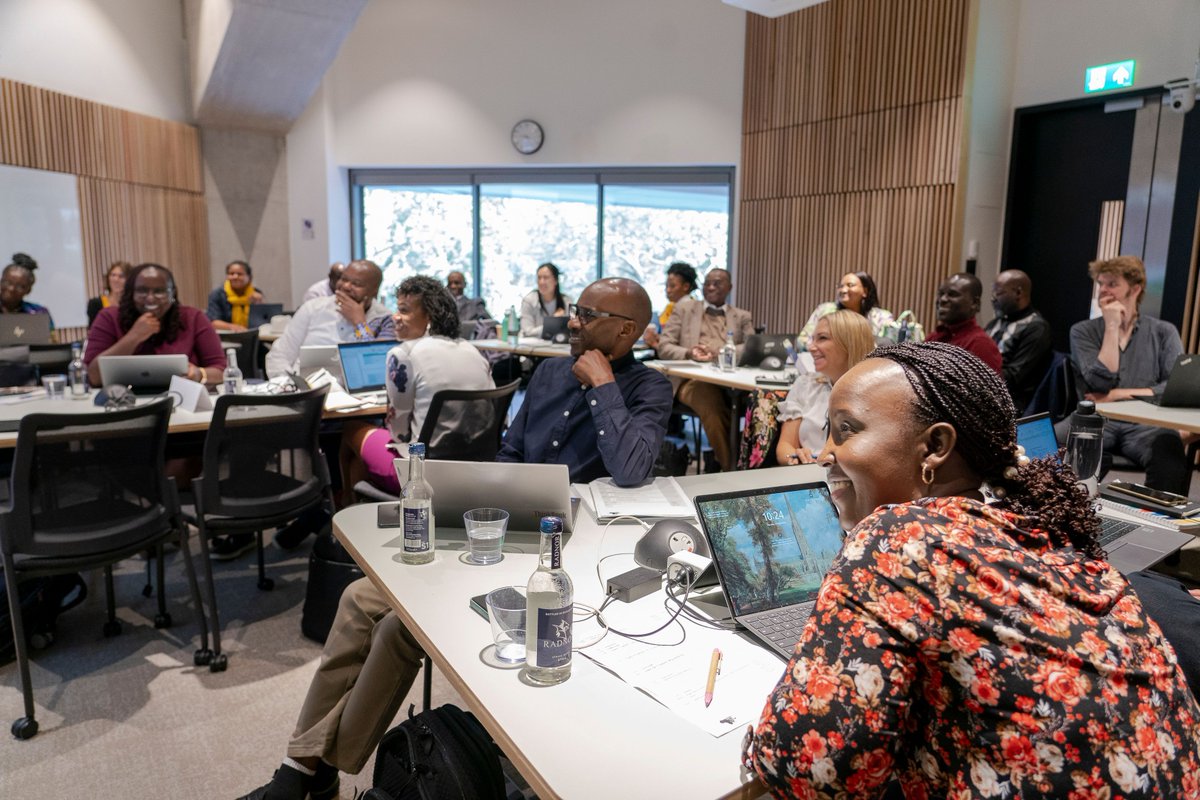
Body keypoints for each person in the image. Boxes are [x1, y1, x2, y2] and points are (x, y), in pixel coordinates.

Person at [236, 277, 671, 800]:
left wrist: (603, 387)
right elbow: (510, 454)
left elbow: (630, 468)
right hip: (502, 530)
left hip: (562, 557)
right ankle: (306, 767)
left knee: (402, 627)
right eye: (573, 309)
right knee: (358, 597)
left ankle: (309, 772)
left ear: (626, 331)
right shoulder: (550, 372)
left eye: (586, 313)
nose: (572, 321)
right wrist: (489, 497)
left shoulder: (648, 388)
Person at [743, 341, 1200, 797]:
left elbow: (808, 774)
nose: (825, 454)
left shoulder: (898, 535)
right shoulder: (1034, 530)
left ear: (935, 446)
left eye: (845, 430)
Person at [338, 275, 493, 503]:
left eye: (404, 310)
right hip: (474, 472)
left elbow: (398, 433)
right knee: (361, 456)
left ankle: (344, 513)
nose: (395, 317)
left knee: (352, 429)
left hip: (421, 476)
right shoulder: (473, 351)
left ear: (429, 316)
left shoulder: (403, 354)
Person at [1066, 254, 1190, 494]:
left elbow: (1174, 387)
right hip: (1100, 419)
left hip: (1147, 425)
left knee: (1169, 450)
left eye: (1112, 284)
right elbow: (1097, 380)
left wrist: (1117, 394)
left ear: (1135, 289)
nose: (1103, 290)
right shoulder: (1083, 331)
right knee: (1058, 439)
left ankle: (1158, 519)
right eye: (1101, 283)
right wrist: (1112, 327)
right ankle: (1068, 508)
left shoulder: (1164, 332)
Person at [655, 267, 755, 471]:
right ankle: (731, 470)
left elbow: (752, 346)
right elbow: (664, 346)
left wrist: (721, 352)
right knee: (710, 401)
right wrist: (689, 353)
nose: (710, 287)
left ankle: (731, 462)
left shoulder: (742, 316)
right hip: (691, 381)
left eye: (717, 283)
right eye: (707, 282)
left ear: (729, 287)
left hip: (732, 382)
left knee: (762, 403)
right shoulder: (684, 310)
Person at [83, 262, 225, 388]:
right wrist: (134, 337)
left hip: (182, 402)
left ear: (173, 293)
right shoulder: (108, 317)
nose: (150, 298)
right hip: (120, 405)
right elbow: (93, 376)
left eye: (159, 291)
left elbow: (221, 370)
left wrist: (199, 374)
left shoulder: (193, 317)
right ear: (131, 293)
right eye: (142, 291)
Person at [773, 310, 873, 465]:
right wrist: (795, 457)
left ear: (850, 343)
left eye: (822, 338)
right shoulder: (805, 384)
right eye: (813, 339)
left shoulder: (877, 394)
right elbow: (785, 447)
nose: (811, 348)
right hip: (808, 475)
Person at [265, 259, 394, 378]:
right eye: (344, 279)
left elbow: (377, 366)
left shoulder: (385, 319)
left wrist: (359, 322)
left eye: (356, 284)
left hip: (357, 397)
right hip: (304, 390)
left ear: (374, 292)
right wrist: (286, 386)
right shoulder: (313, 308)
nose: (346, 286)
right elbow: (280, 355)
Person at [985, 268, 1053, 410]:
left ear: (1018, 293)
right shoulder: (997, 322)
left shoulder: (1036, 328)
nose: (993, 298)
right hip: (987, 390)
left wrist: (975, 378)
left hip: (1012, 402)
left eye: (998, 292)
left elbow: (1014, 378)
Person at [926, 271, 1002, 374]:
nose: (942, 299)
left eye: (952, 295)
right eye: (941, 294)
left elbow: (988, 389)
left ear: (974, 303)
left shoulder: (981, 344)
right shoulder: (934, 337)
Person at [797, 272, 893, 347]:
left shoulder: (882, 317)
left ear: (865, 291)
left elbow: (889, 346)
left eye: (850, 285)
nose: (843, 290)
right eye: (840, 286)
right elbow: (802, 340)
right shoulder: (825, 310)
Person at [642, 261, 698, 349]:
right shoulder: (670, 307)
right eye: (666, 286)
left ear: (686, 286)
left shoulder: (692, 309)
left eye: (672, 286)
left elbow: (684, 344)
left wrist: (655, 344)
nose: (668, 290)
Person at [206, 259, 264, 332]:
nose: (235, 277)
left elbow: (263, 322)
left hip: (253, 336)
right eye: (231, 273)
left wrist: (260, 304)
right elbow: (213, 322)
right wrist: (235, 328)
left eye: (240, 274)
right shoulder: (217, 294)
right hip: (227, 337)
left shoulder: (256, 293)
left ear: (249, 277)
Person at [519, 262, 572, 337]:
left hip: (558, 346)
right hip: (531, 346)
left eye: (546, 278)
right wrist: (553, 322)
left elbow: (570, 330)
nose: (541, 282)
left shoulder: (566, 301)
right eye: (539, 278)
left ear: (556, 280)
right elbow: (527, 332)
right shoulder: (529, 301)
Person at [1, 253, 55, 328]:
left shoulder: (39, 313)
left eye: (19, 286)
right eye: (7, 282)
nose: (11, 289)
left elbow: (51, 339)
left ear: (28, 290)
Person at [86, 260, 131, 327]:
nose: (116, 279)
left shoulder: (132, 304)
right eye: (113, 275)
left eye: (121, 276)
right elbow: (93, 333)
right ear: (108, 278)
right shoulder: (95, 304)